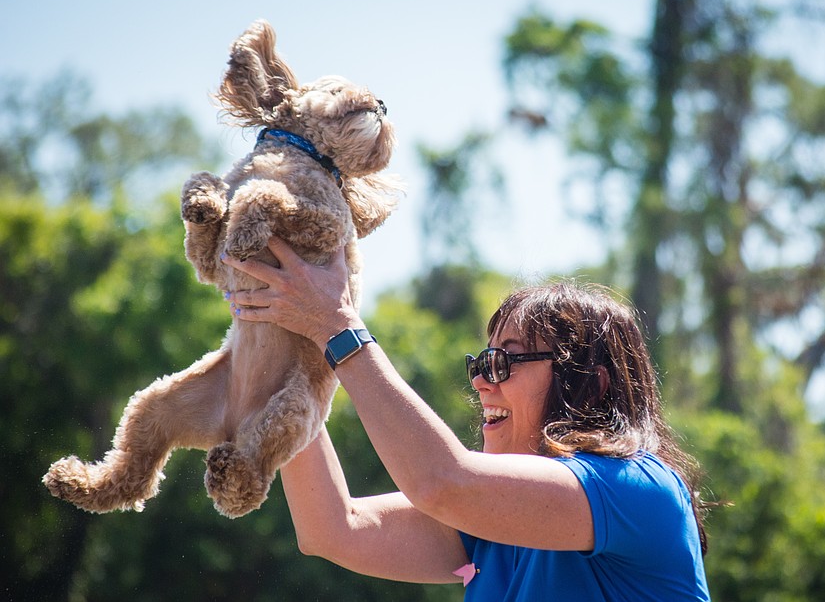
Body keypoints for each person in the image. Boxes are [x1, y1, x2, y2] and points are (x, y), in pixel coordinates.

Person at [222, 236, 711, 601]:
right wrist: (289, 354)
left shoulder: (636, 487)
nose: (481, 382)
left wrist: (335, 326)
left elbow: (443, 482)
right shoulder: (489, 524)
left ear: (592, 384)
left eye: (504, 364)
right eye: (481, 363)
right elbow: (332, 529)